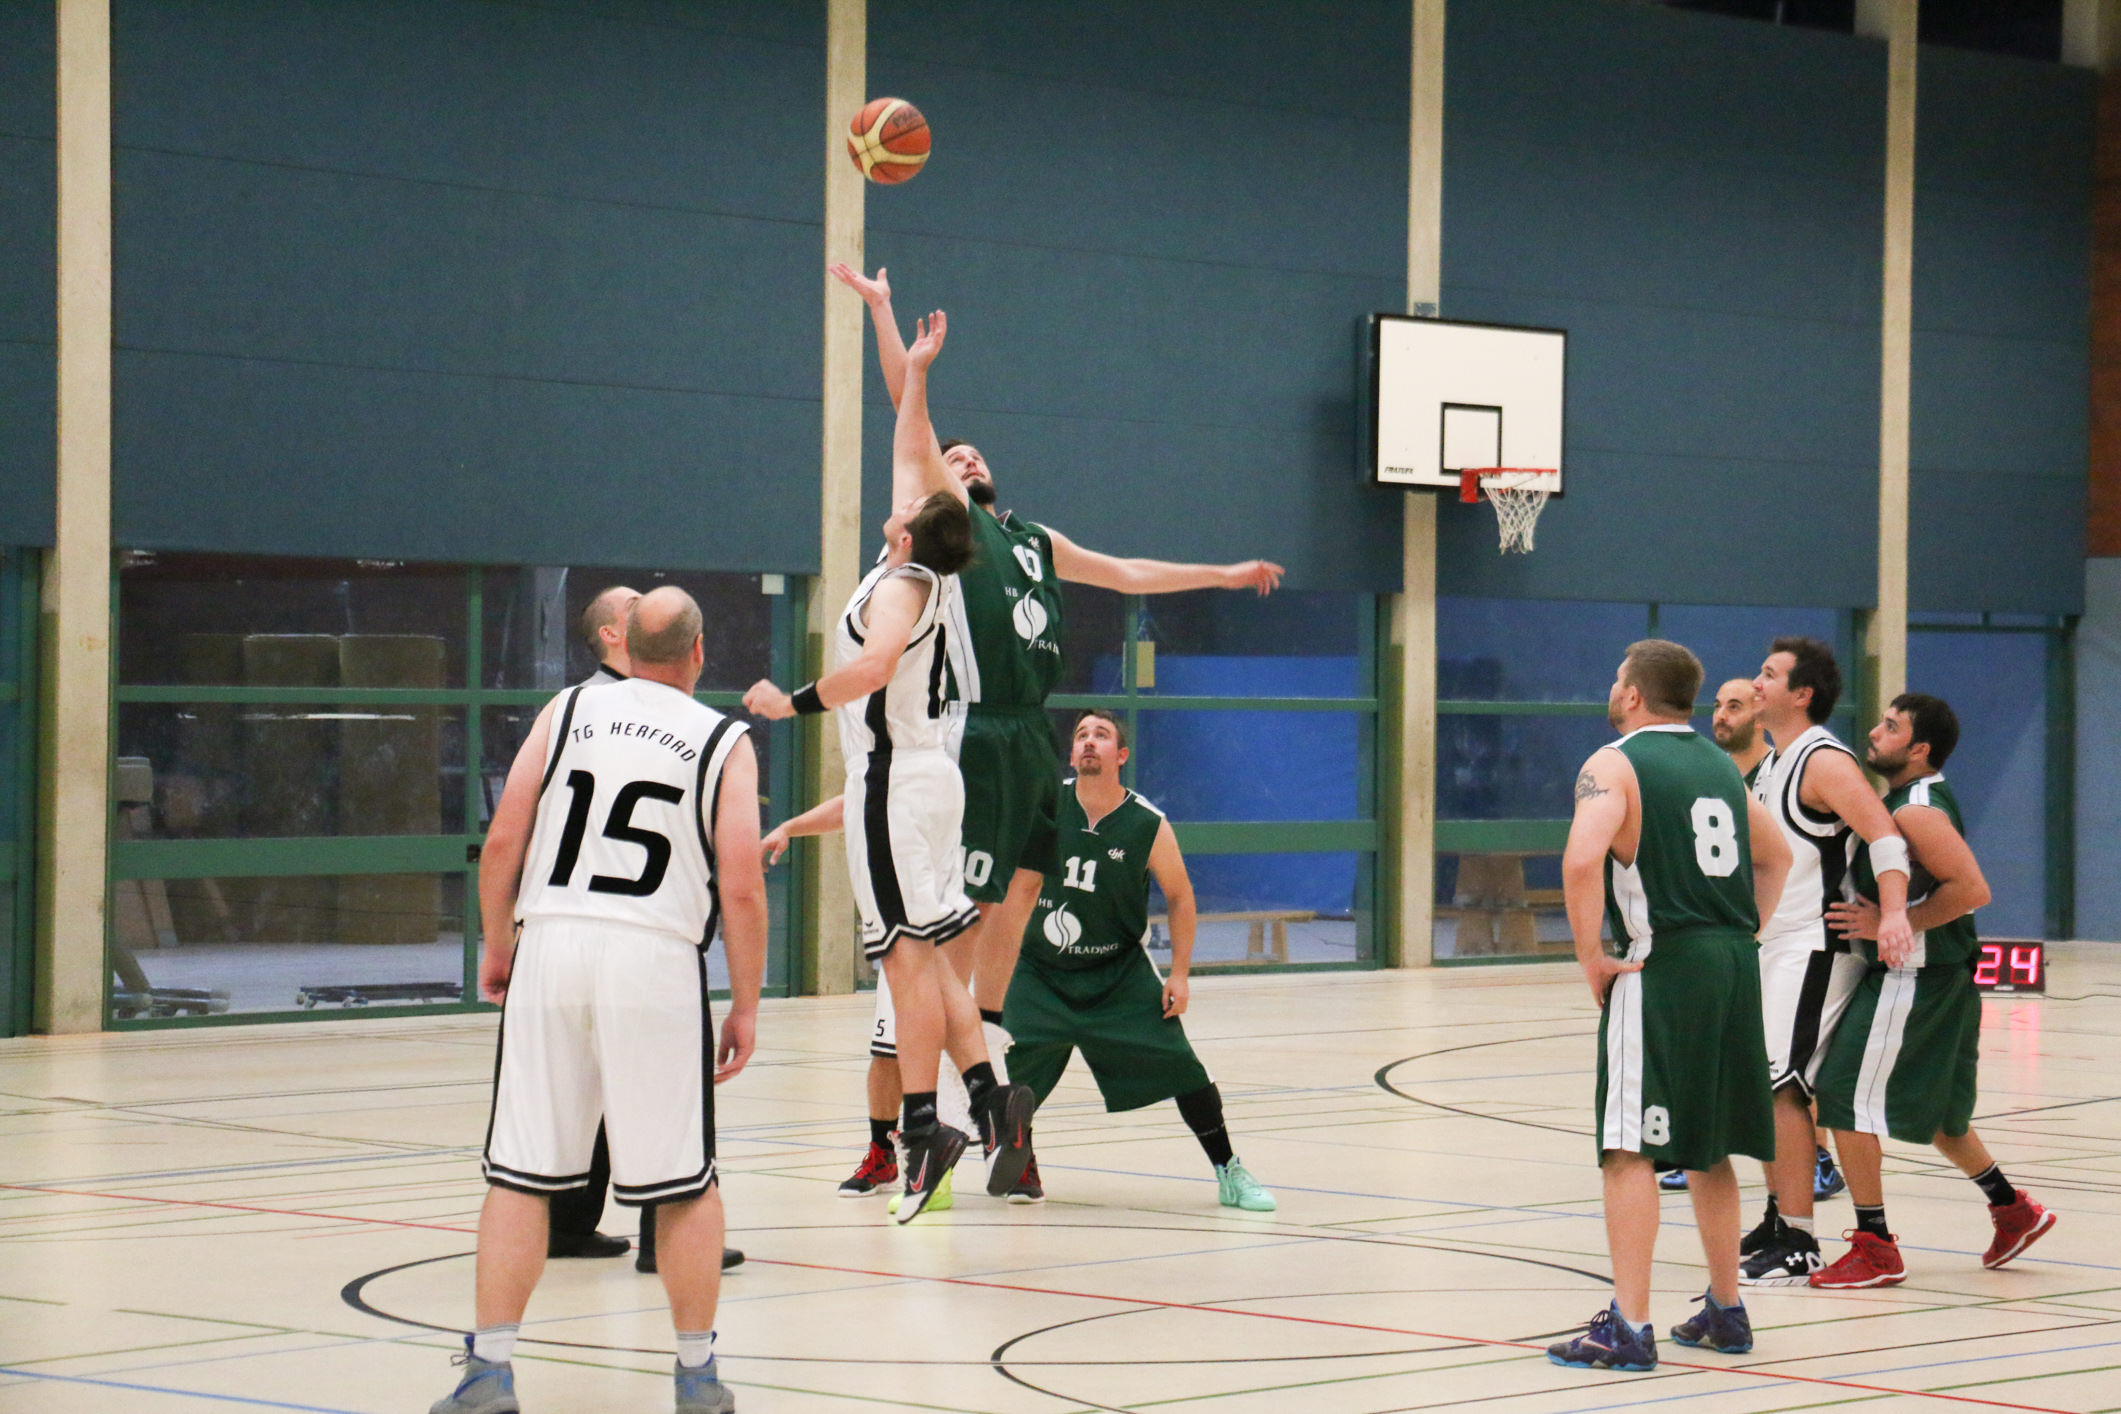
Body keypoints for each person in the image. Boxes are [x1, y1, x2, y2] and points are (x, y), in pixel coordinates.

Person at [828, 260, 1283, 1184]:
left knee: (1011, 916)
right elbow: (907, 419)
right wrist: (889, 323)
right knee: (951, 937)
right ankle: (940, 1110)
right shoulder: (952, 535)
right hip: (974, 733)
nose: (965, 461)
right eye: (952, 460)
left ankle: (987, 1074)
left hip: (1029, 736)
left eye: (974, 456)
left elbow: (1126, 573)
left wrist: (1220, 575)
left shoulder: (1034, 540)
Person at [433, 587, 765, 1414]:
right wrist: (746, 1004)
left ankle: (488, 1372)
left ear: (626, 648)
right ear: (697, 651)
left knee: (520, 1174)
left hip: (551, 944)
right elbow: (742, 887)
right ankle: (696, 1376)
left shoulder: (568, 709)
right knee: (683, 1183)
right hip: (654, 958)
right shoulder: (722, 739)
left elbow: (502, 841)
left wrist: (498, 943)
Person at [745, 310, 1035, 1221]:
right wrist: (901, 348)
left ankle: (920, 1128)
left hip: (895, 778)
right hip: (928, 781)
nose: (905, 490)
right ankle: (988, 1098)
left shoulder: (905, 584)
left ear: (911, 530)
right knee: (932, 963)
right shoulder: (916, 561)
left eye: (913, 498)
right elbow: (909, 436)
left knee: (905, 962)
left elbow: (870, 669)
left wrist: (789, 703)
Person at [1547, 640, 1790, 1374]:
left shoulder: (1613, 763)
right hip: (1732, 961)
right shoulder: (1721, 765)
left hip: (1664, 963)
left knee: (1629, 1149)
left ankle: (1628, 1326)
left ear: (1632, 695)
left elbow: (1580, 859)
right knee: (1710, 1146)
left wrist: (1591, 955)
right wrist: (1743, 931)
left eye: (1616, 678)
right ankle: (1726, 1309)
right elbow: (1776, 855)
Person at [1809, 694, 2056, 1286]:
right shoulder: (1904, 800)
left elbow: (1972, 889)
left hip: (1915, 978)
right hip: (1942, 978)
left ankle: (1875, 1247)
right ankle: (2013, 1210)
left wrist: (1891, 922)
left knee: (1840, 1094)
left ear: (1919, 749)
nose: (1875, 731)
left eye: (1890, 727)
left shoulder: (1918, 811)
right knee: (1944, 1114)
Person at [996, 710, 1275, 1209]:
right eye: (1081, 735)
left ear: (1120, 755)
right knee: (1009, 1072)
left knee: (1184, 1067)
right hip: (1039, 969)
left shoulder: (1147, 823)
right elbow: (1015, 885)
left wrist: (1180, 975)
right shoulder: (1045, 805)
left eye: (1101, 735)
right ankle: (1020, 1161)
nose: (1089, 742)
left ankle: (1229, 1170)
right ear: (1071, 754)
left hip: (1117, 973)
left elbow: (1181, 897)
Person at [1738, 637, 1915, 1287]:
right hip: (1775, 942)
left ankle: (1799, 1240)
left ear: (1801, 694)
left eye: (1768, 674)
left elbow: (1885, 836)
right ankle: (1779, 1215)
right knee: (1765, 1086)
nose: (1756, 683)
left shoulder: (1823, 760)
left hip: (1816, 945)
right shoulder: (1771, 762)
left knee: (1784, 1087)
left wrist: (1891, 914)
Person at [1661, 677, 1845, 1204]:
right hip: (1735, 931)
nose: (1722, 715)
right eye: (1718, 705)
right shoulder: (1714, 774)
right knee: (1727, 1048)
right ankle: (1709, 1148)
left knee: (1788, 1059)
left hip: (1792, 931)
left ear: (1759, 716)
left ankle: (1817, 1157)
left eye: (1736, 706)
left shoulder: (1784, 772)